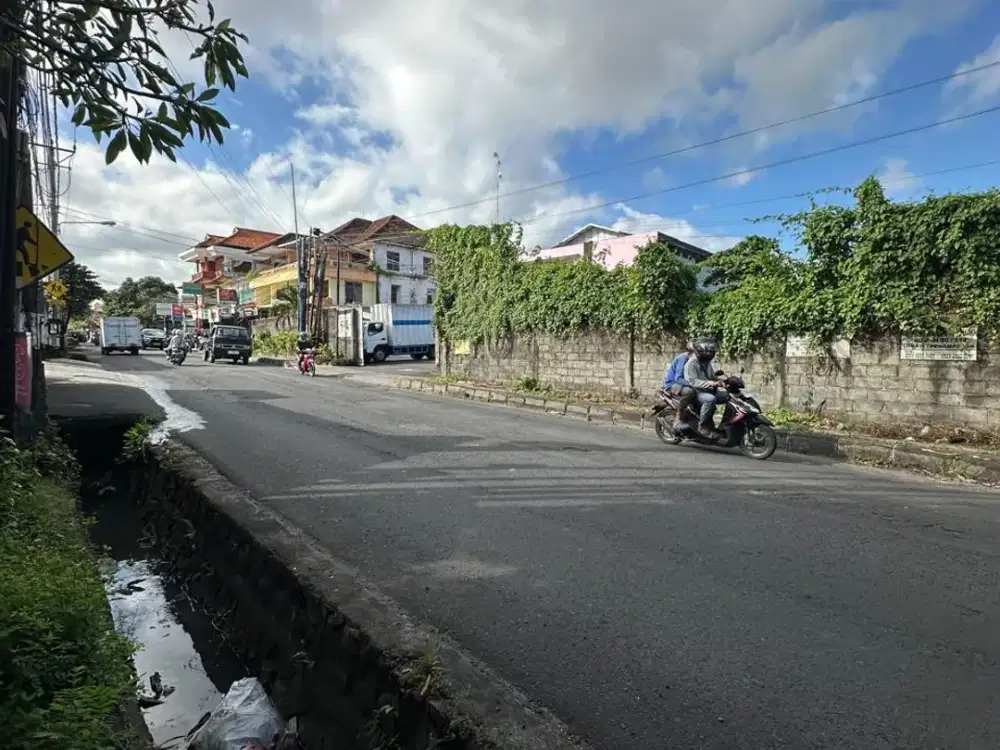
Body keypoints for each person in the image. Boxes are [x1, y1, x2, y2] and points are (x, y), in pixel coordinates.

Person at [683, 336, 728, 438]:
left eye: (711, 352)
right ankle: (702, 427)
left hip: (708, 390)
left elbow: (712, 376)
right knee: (710, 400)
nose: (709, 354)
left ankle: (726, 424)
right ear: (699, 351)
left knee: (728, 396)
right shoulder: (691, 363)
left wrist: (723, 382)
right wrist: (711, 383)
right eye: (707, 352)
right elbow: (692, 381)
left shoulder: (706, 363)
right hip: (696, 392)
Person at [662, 346, 695, 430]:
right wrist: (692, 384)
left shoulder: (697, 361)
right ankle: (678, 418)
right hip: (673, 384)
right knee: (689, 392)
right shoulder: (683, 358)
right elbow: (678, 378)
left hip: (685, 384)